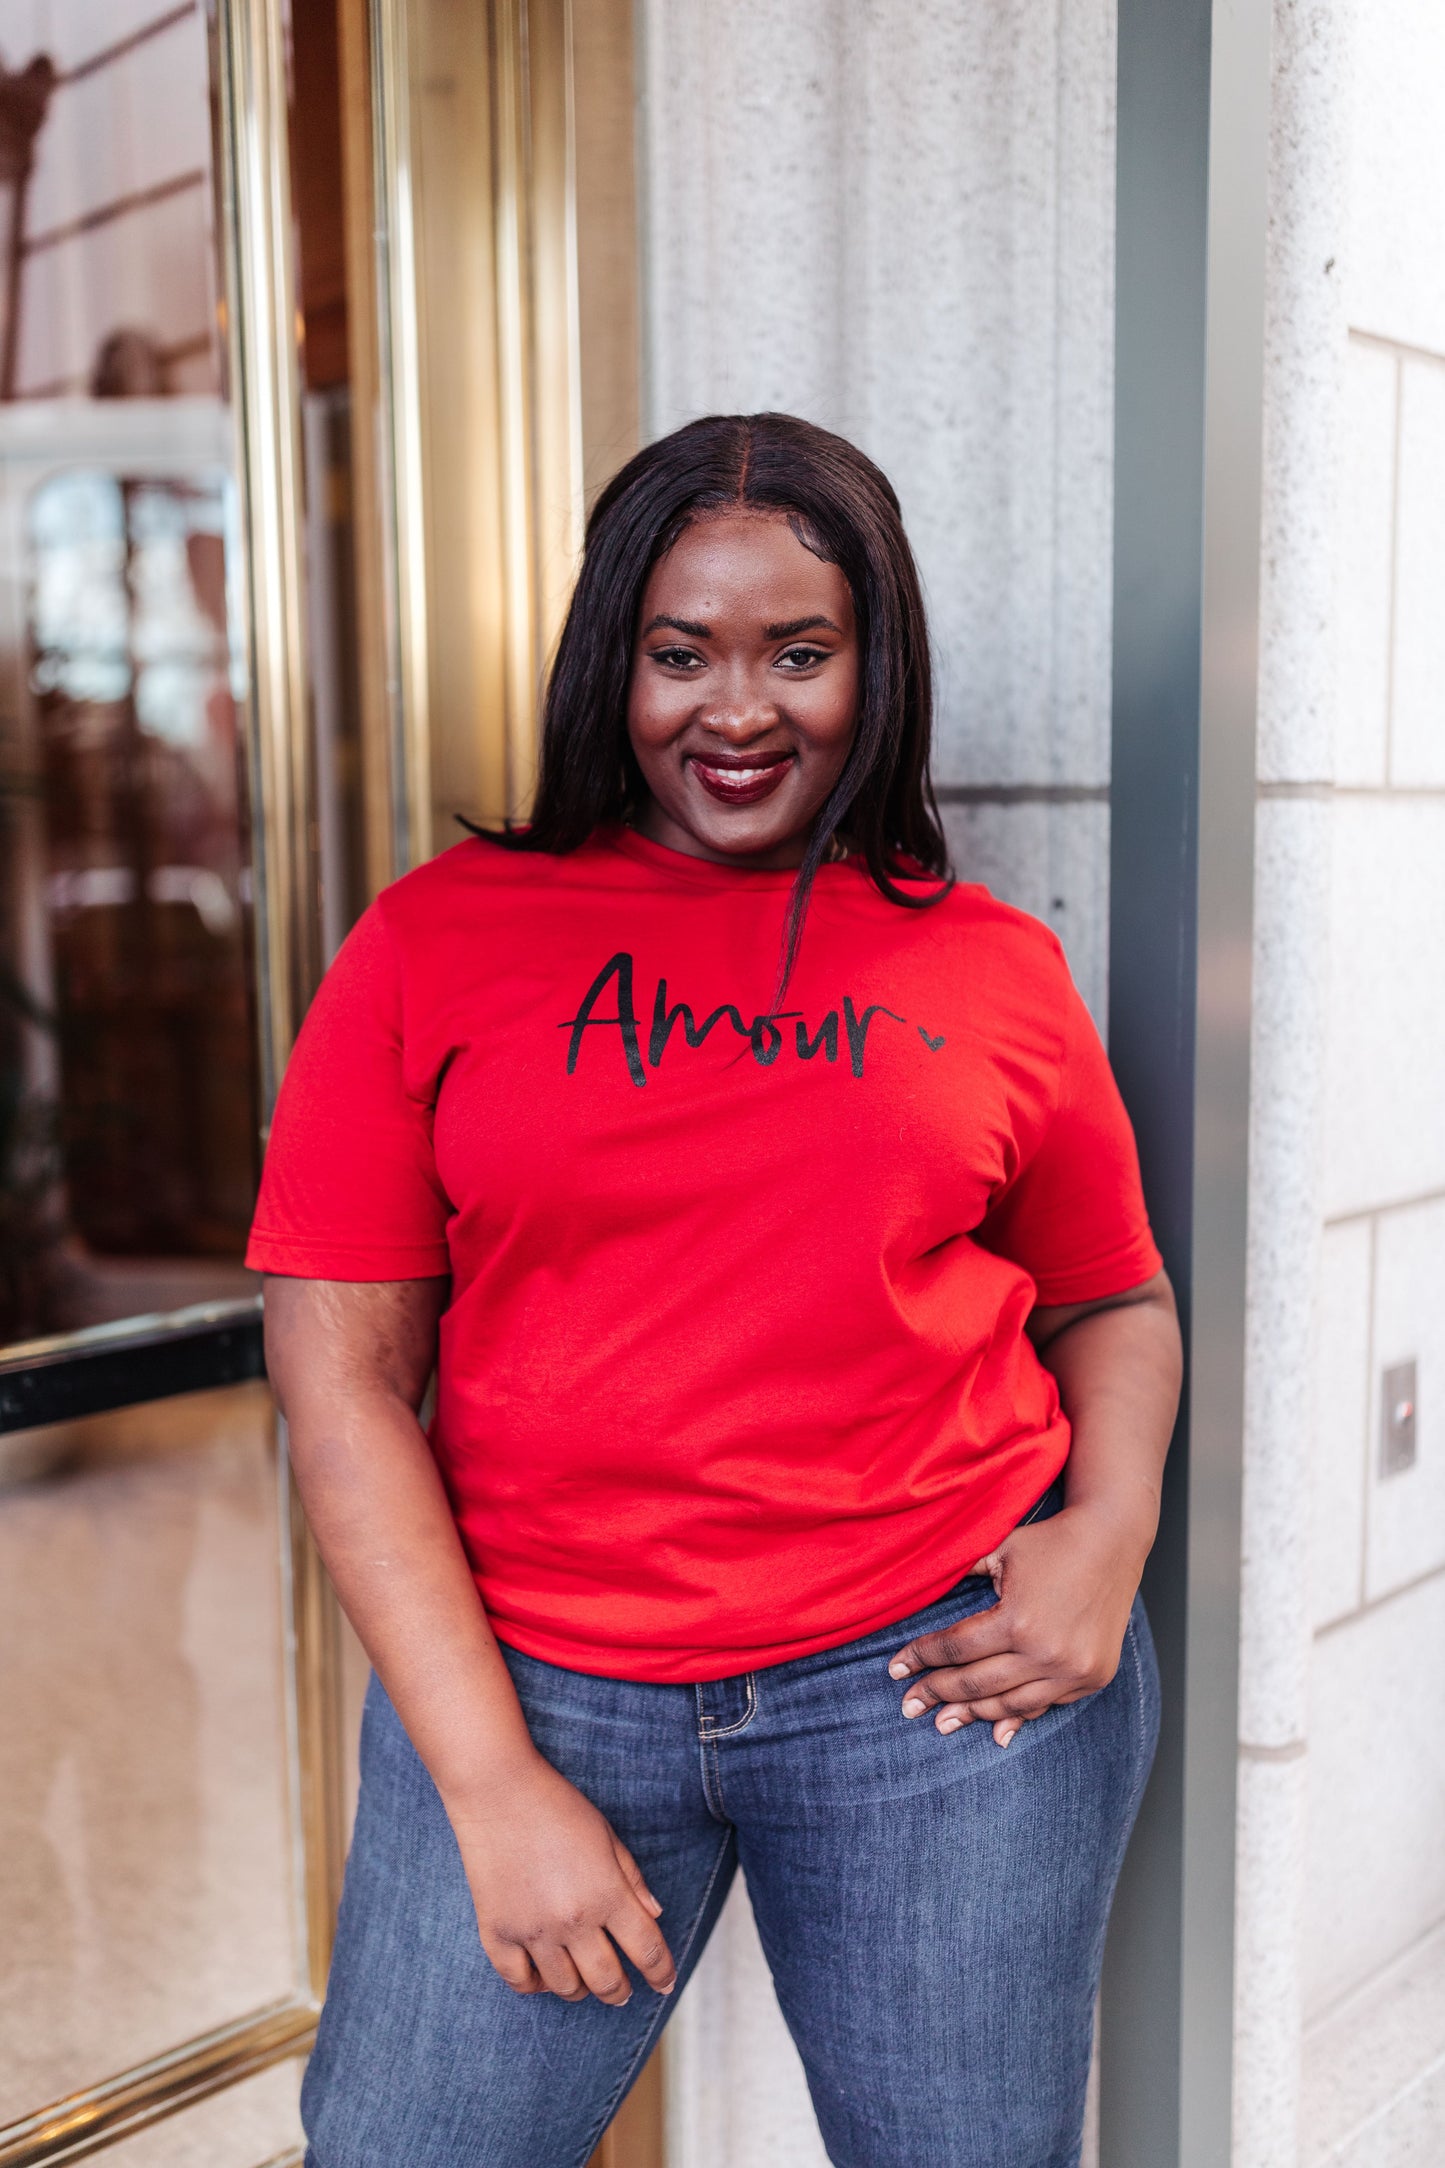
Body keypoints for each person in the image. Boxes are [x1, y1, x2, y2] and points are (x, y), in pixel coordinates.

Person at [251, 412, 1181, 2168]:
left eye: (798, 654)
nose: (735, 711)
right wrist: (492, 1783)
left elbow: (1108, 1298)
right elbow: (342, 1389)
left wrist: (1107, 1530)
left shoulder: (988, 965)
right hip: (535, 1685)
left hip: (939, 1686)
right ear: (615, 655)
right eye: (680, 653)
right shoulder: (433, 943)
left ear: (873, 664)